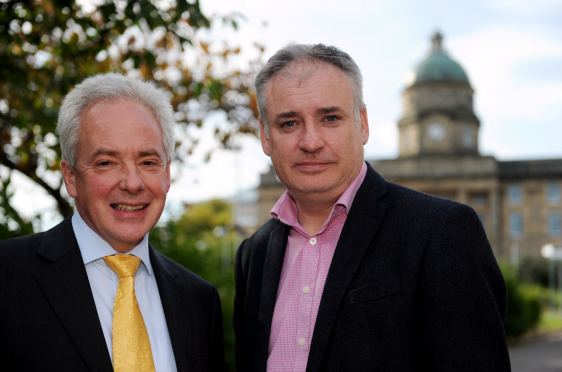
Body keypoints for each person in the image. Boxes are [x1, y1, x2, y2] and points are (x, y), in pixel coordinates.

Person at [233, 44, 510, 372]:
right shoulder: (254, 253)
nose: (311, 142)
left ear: (362, 124)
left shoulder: (442, 230)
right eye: (289, 123)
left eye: (330, 118)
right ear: (266, 136)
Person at [0, 73, 225, 372]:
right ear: (71, 177)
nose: (133, 183)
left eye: (147, 162)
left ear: (167, 173)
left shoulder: (198, 301)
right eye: (106, 162)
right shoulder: (7, 277)